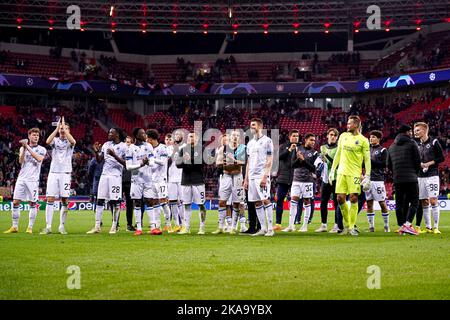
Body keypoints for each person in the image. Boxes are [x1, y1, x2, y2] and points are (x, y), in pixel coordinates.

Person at [329, 115, 371, 236]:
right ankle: (347, 225)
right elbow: (338, 153)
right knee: (340, 198)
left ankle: (351, 227)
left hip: (354, 173)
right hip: (341, 172)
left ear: (356, 125)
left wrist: (367, 176)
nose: (347, 125)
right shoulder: (343, 136)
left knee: (353, 198)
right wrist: (332, 171)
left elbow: (367, 159)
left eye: (349, 124)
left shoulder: (363, 140)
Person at [4, 128, 47, 234]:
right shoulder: (22, 148)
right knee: (15, 202)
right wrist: (23, 149)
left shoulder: (42, 149)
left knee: (32, 203)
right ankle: (14, 227)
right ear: (29, 136)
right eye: (34, 135)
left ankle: (30, 227)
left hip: (33, 180)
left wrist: (27, 146)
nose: (36, 137)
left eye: (37, 135)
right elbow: (21, 161)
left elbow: (39, 159)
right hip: (22, 178)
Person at [87, 128, 127, 234]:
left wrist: (114, 155)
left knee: (115, 202)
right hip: (104, 175)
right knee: (99, 200)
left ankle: (114, 226)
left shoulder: (124, 146)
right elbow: (100, 160)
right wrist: (96, 152)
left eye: (111, 133)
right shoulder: (106, 144)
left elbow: (126, 164)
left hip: (116, 176)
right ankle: (97, 226)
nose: (109, 134)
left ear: (117, 134)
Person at [41, 117, 76, 235]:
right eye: (61, 128)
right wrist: (57, 129)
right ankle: (49, 226)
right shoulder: (55, 140)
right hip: (53, 173)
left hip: (65, 173)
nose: (62, 130)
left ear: (69, 130)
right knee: (50, 198)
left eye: (65, 128)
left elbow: (73, 142)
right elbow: (47, 141)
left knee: (65, 199)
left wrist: (65, 130)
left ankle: (61, 226)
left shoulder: (70, 142)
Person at [387, 124, 421, 235]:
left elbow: (389, 165)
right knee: (415, 202)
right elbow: (417, 161)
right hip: (411, 178)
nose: (411, 133)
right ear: (406, 132)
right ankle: (407, 224)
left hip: (398, 179)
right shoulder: (412, 143)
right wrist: (415, 173)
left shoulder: (391, 146)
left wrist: (396, 173)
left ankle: (401, 226)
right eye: (410, 131)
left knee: (400, 203)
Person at [283, 133, 320, 232]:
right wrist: (299, 159)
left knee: (307, 202)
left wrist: (303, 160)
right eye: (311, 140)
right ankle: (291, 225)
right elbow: (292, 165)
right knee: (293, 201)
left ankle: (304, 226)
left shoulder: (315, 153)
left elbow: (313, 169)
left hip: (308, 181)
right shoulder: (297, 149)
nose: (313, 142)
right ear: (306, 140)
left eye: (314, 140)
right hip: (296, 180)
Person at [243, 118, 274, 237]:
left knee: (265, 200)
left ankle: (271, 228)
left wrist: (265, 176)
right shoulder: (250, 143)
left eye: (254, 125)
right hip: (251, 177)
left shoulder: (267, 141)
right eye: (250, 125)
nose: (251, 127)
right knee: (256, 202)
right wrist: (246, 179)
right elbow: (249, 162)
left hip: (261, 175)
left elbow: (270, 160)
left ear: (260, 126)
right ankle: (263, 228)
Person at [212, 130, 247, 235]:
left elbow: (243, 162)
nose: (235, 137)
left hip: (237, 176)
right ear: (230, 137)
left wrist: (234, 160)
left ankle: (233, 227)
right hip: (226, 176)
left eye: (237, 135)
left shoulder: (242, 148)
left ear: (239, 138)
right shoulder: (224, 148)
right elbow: (217, 162)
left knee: (236, 203)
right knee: (222, 201)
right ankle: (221, 227)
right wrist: (225, 162)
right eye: (233, 135)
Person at [413, 122, 445, 234]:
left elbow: (441, 158)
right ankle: (428, 227)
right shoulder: (416, 145)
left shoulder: (434, 142)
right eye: (414, 130)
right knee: (424, 201)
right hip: (420, 176)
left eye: (418, 130)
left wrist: (428, 163)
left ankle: (436, 227)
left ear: (425, 131)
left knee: (433, 200)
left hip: (432, 175)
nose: (415, 132)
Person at [176, 132, 207, 235]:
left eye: (192, 136)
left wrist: (189, 160)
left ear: (197, 138)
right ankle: (187, 227)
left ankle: (202, 227)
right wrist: (186, 161)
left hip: (198, 181)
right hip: (186, 181)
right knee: (186, 205)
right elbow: (177, 164)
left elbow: (202, 163)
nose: (190, 138)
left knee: (201, 205)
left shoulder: (201, 149)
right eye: (189, 136)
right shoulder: (182, 149)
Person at [125, 128, 152, 236]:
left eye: (145, 133)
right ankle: (139, 228)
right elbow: (128, 166)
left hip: (148, 179)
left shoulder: (148, 146)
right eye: (142, 133)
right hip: (136, 180)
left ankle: (153, 227)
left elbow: (152, 161)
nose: (145, 135)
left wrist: (149, 162)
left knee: (150, 202)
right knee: (137, 203)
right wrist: (141, 164)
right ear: (136, 135)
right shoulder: (130, 148)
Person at [274, 130, 300, 231]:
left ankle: (293, 223)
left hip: (295, 178)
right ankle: (278, 224)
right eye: (294, 136)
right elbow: (279, 157)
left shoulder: (300, 148)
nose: (295, 138)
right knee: (280, 200)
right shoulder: (283, 146)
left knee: (295, 201)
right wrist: (289, 150)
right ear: (289, 137)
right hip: (283, 177)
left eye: (297, 136)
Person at [364, 130, 390, 232]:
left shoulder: (383, 150)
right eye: (370, 137)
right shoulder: (367, 150)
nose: (371, 139)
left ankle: (386, 225)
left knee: (382, 203)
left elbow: (383, 164)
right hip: (368, 180)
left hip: (378, 180)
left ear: (379, 139)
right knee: (369, 203)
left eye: (373, 137)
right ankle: (371, 227)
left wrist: (370, 161)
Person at [317, 128, 341, 233]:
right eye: (331, 134)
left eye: (335, 135)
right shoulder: (322, 147)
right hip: (325, 178)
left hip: (335, 178)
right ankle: (323, 225)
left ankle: (336, 225)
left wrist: (326, 156)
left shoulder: (339, 148)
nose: (333, 137)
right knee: (323, 202)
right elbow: (320, 161)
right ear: (327, 136)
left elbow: (337, 164)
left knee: (336, 202)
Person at [146, 129, 170, 234]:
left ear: (151, 139)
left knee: (163, 202)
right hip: (152, 180)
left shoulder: (162, 148)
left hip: (161, 180)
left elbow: (163, 162)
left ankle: (168, 224)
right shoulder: (148, 149)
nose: (146, 139)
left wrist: (152, 159)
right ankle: (157, 225)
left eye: (147, 138)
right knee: (154, 202)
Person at [166, 132, 184, 233]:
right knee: (172, 201)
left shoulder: (185, 147)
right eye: (175, 135)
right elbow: (167, 163)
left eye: (179, 134)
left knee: (182, 202)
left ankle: (184, 224)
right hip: (171, 178)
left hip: (182, 178)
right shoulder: (168, 148)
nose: (177, 136)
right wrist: (173, 152)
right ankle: (177, 224)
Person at [123, 136, 135, 232]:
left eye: (130, 142)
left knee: (130, 204)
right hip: (119, 179)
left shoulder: (134, 153)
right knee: (114, 202)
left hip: (129, 180)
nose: (128, 144)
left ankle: (129, 224)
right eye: (127, 142)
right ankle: (116, 224)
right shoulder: (120, 151)